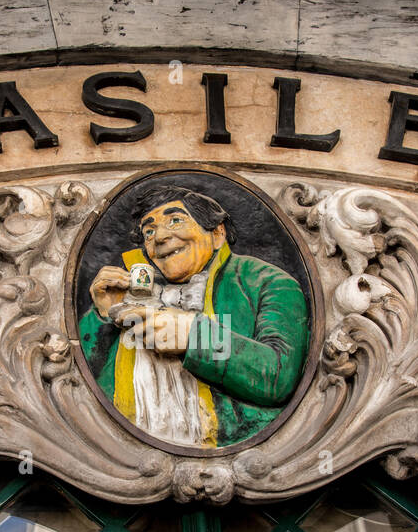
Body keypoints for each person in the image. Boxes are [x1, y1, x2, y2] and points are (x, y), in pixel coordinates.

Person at [78, 185, 309, 448]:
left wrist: (193, 336)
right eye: (149, 231)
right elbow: (81, 384)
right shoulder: (133, 294)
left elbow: (278, 377)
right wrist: (104, 315)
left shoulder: (267, 282)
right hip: (123, 453)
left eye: (175, 220)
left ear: (217, 233)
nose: (160, 237)